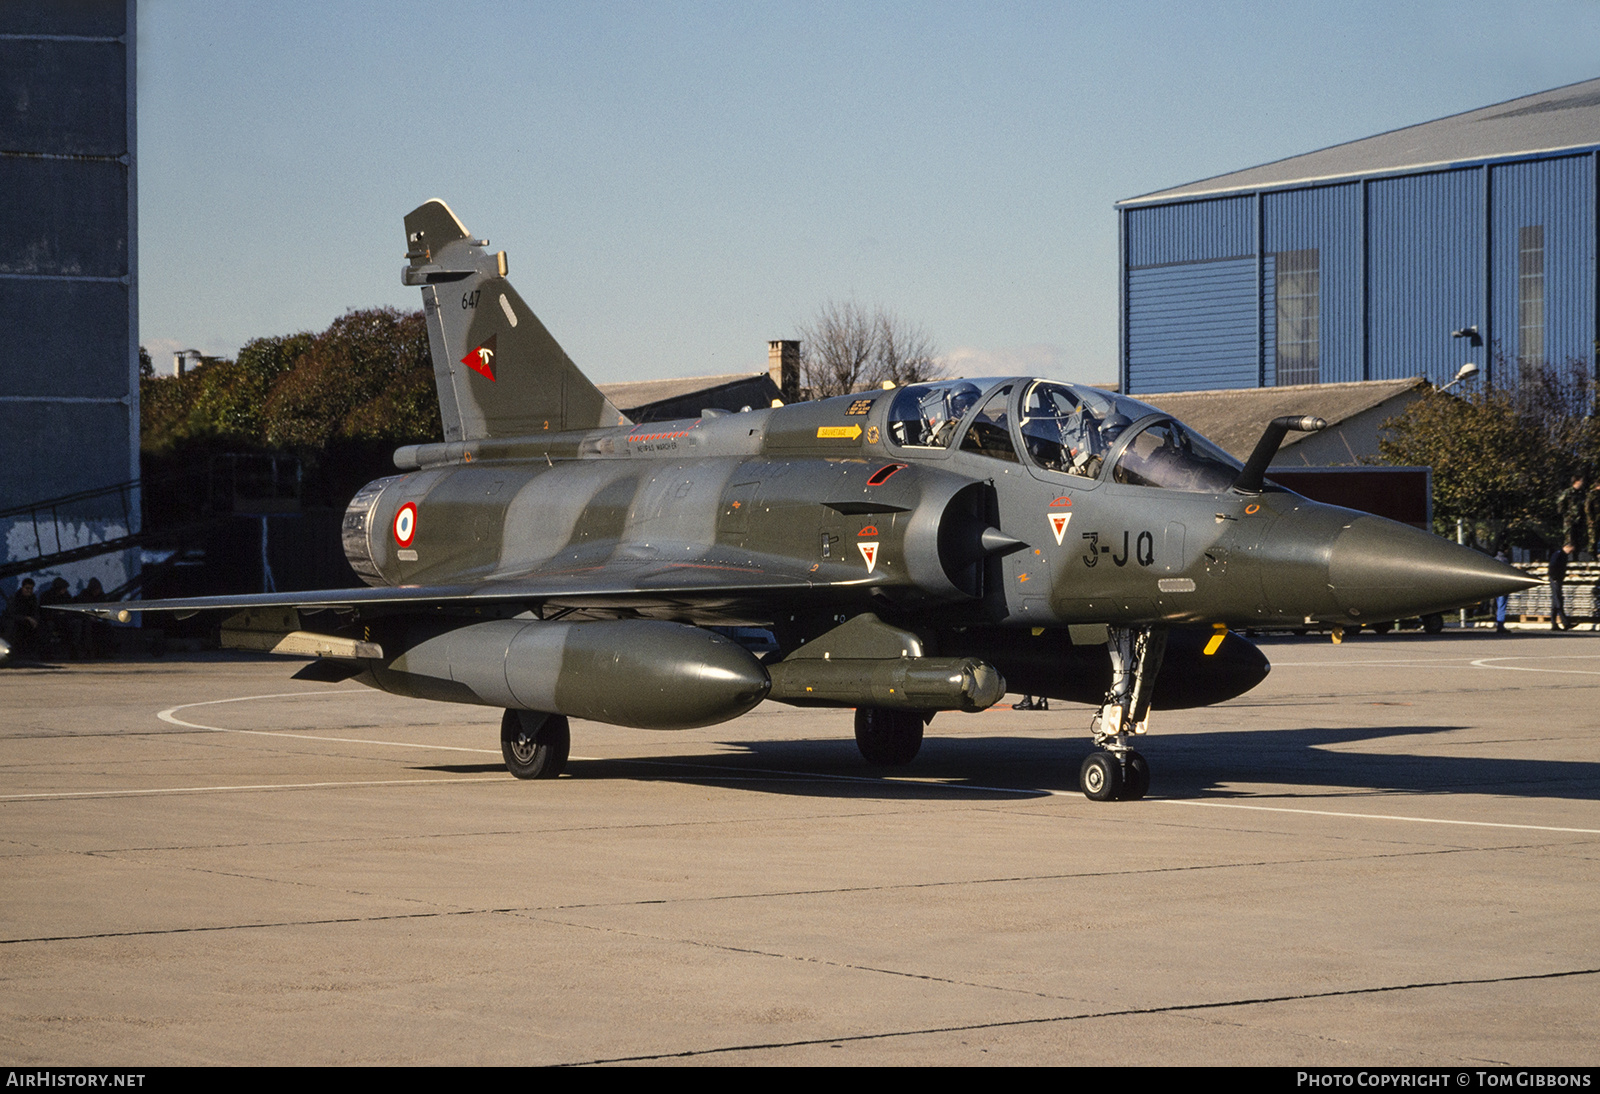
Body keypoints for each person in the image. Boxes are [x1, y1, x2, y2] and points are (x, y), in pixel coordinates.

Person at [2, 578, 41, 660]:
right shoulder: (15, 598)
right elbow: (11, 614)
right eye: (27, 588)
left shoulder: (33, 599)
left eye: (31, 589)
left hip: (29, 623)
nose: (29, 591)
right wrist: (26, 618)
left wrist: (35, 620)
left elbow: (36, 611)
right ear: (22, 588)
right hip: (17, 622)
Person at [1549, 543, 1575, 631]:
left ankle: (1554, 624)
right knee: (1558, 601)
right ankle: (1565, 622)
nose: (1570, 553)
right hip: (1555, 579)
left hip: (1558, 579)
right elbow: (1552, 565)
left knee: (1555, 602)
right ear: (1567, 547)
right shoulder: (1558, 554)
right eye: (1571, 550)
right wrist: (1554, 577)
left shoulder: (1562, 555)